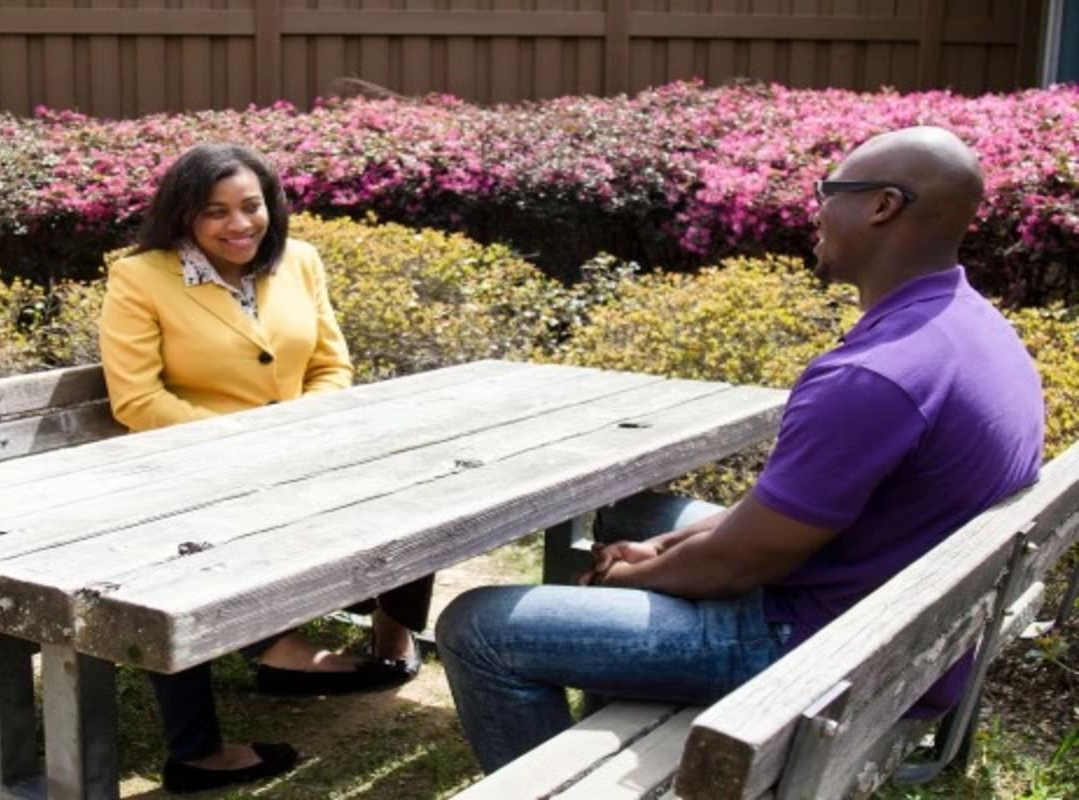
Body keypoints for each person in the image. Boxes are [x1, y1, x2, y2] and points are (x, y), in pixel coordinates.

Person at [435, 126, 1046, 773]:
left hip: (822, 648)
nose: (816, 210)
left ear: (882, 206)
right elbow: (785, 510)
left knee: (476, 627)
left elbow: (737, 565)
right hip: (894, 617)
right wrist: (661, 547)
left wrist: (628, 578)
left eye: (828, 191)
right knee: (638, 517)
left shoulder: (876, 375)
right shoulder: (972, 325)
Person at [99, 143, 432, 792]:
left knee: (420, 481)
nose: (239, 224)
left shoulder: (299, 260)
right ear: (184, 215)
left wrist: (304, 433)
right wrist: (248, 446)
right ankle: (247, 688)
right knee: (179, 557)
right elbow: (136, 400)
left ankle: (390, 637)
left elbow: (331, 365)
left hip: (303, 457)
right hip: (193, 471)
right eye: (215, 212)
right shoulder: (140, 276)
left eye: (251, 206)